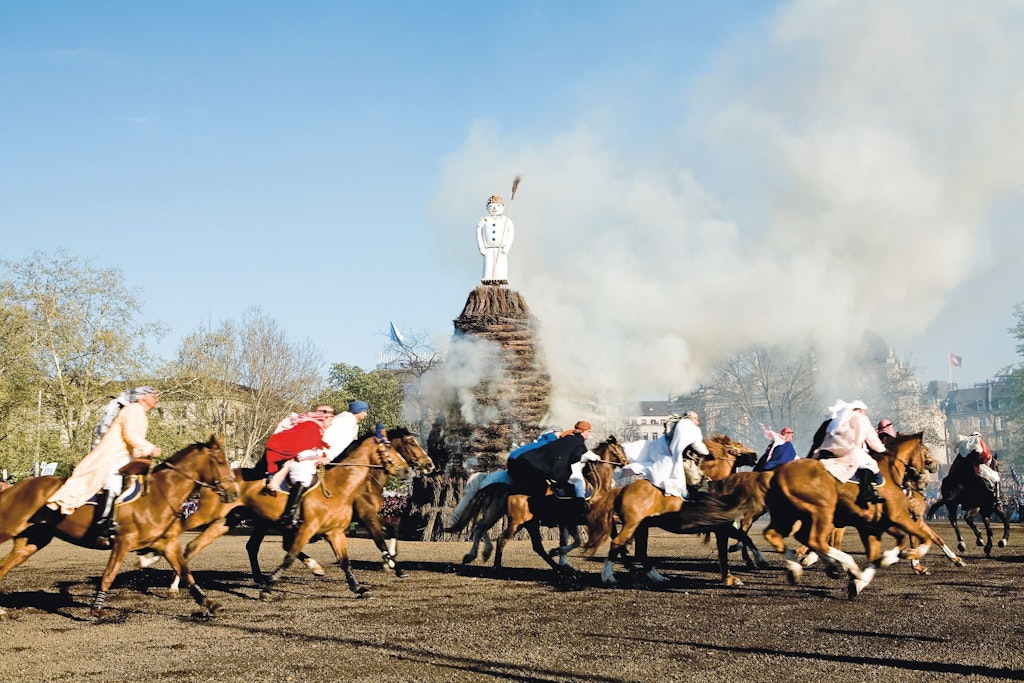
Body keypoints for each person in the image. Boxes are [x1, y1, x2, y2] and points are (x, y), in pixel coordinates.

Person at [45, 386, 162, 546]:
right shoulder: (133, 409)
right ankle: (103, 526)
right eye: (153, 395)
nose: (156, 398)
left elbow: (132, 438)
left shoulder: (138, 411)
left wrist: (142, 454)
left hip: (123, 454)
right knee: (113, 481)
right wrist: (149, 448)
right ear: (143, 398)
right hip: (112, 453)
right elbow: (130, 434)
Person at [813, 399, 886, 508]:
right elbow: (872, 439)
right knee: (870, 464)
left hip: (831, 449)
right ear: (860, 410)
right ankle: (865, 492)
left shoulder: (840, 418)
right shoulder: (860, 418)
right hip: (849, 449)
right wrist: (883, 450)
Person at [622, 410, 710, 499]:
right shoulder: (689, 426)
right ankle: (697, 498)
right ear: (692, 418)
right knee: (696, 480)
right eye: (697, 419)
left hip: (666, 455)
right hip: (679, 459)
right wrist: (707, 453)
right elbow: (697, 445)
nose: (698, 422)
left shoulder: (678, 424)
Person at [507, 421, 591, 503]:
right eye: (559, 433)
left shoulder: (544, 441)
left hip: (515, 459)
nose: (561, 435)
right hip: (519, 462)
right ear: (554, 432)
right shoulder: (551, 443)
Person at [476, 194, 515, 284]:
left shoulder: (506, 220)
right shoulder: (483, 221)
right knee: (488, 266)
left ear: (502, 207)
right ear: (487, 207)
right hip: (488, 249)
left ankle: (500, 278)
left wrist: (507, 247)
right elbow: (478, 234)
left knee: (500, 266)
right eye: (491, 206)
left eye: (497, 205)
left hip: (500, 248)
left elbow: (510, 233)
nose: (494, 208)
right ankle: (487, 277)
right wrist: (481, 247)